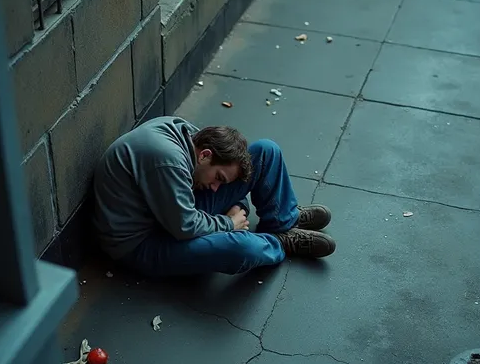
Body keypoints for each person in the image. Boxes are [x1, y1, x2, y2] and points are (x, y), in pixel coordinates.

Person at [92, 116, 336, 276]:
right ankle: (280, 242)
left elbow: (193, 203)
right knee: (241, 248)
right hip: (142, 244)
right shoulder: (170, 162)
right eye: (219, 178)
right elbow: (184, 227)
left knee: (265, 150)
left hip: (168, 215)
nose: (216, 187)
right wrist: (229, 223)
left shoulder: (188, 135)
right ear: (205, 155)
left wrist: (235, 203)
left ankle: (284, 222)